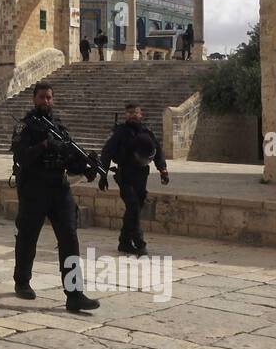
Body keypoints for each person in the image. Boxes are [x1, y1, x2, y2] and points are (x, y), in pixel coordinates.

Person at [10, 82, 100, 312]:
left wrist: (86, 167)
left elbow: (69, 158)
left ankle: (74, 294)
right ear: (34, 99)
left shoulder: (58, 127)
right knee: (28, 237)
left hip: (59, 189)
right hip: (33, 188)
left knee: (70, 238)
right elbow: (22, 157)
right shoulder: (25, 127)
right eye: (42, 97)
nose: (46, 101)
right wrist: (43, 145)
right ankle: (22, 281)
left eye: (49, 97)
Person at [99, 102, 169, 256]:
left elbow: (157, 151)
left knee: (133, 210)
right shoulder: (120, 133)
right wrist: (102, 174)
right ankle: (139, 242)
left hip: (141, 176)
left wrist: (163, 169)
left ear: (140, 114)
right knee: (133, 206)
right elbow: (107, 152)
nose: (132, 115)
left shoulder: (147, 132)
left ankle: (124, 242)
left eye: (135, 112)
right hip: (125, 175)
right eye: (129, 113)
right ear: (126, 115)